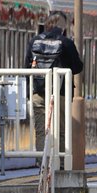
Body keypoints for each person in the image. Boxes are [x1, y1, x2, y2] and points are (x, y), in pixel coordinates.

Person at [24, 11, 84, 153]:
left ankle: (41, 163)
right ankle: (61, 162)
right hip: (61, 93)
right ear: (63, 28)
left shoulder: (34, 41)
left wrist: (29, 92)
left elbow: (26, 67)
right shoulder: (66, 43)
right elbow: (78, 67)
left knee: (41, 131)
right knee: (61, 131)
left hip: (38, 93)